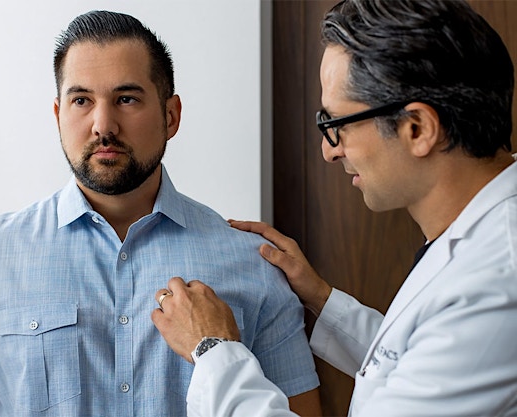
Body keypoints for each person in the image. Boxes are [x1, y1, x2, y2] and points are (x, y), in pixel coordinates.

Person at [151, 0, 517, 415]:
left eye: (337, 125)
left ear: (417, 129)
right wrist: (321, 298)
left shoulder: (497, 279)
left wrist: (213, 350)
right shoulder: (482, 249)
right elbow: (420, 363)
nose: (329, 151)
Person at [0, 10, 321, 416]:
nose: (103, 125)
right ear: (58, 115)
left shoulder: (255, 264)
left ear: (170, 116)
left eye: (126, 99)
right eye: (81, 100)